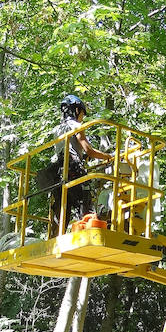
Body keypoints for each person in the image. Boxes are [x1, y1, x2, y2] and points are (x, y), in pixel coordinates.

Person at [46, 95, 112, 234]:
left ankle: (55, 236)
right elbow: (89, 150)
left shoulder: (58, 129)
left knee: (62, 207)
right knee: (85, 203)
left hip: (59, 172)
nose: (82, 117)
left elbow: (70, 148)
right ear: (76, 110)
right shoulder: (76, 126)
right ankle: (89, 233)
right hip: (74, 169)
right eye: (82, 113)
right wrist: (107, 156)